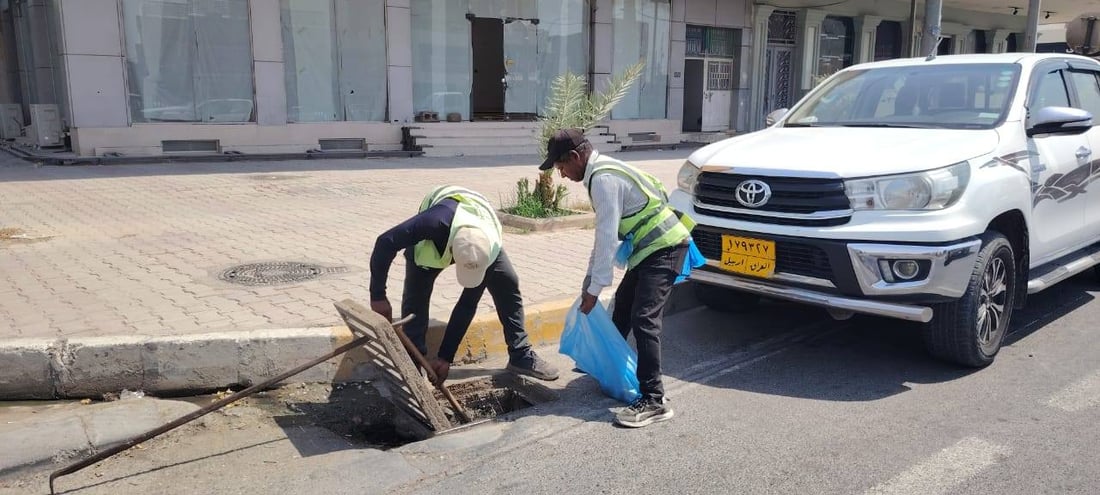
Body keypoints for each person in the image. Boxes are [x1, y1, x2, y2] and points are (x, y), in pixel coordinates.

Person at [541, 128, 692, 428]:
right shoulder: (600, 172)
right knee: (622, 305)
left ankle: (654, 399)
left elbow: (608, 238)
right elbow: (603, 239)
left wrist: (594, 288)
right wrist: (589, 281)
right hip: (649, 250)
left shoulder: (603, 180)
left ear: (575, 156)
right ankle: (612, 368)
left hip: (665, 247)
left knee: (644, 318)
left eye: (561, 167)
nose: (562, 175)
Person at [369, 185, 559, 386]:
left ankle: (520, 354)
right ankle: (414, 364)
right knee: (416, 300)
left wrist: (445, 356)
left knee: (508, 284)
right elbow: (385, 242)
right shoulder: (430, 224)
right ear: (452, 251)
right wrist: (378, 296)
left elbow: (467, 304)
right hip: (440, 223)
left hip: (477, 229)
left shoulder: (489, 245)